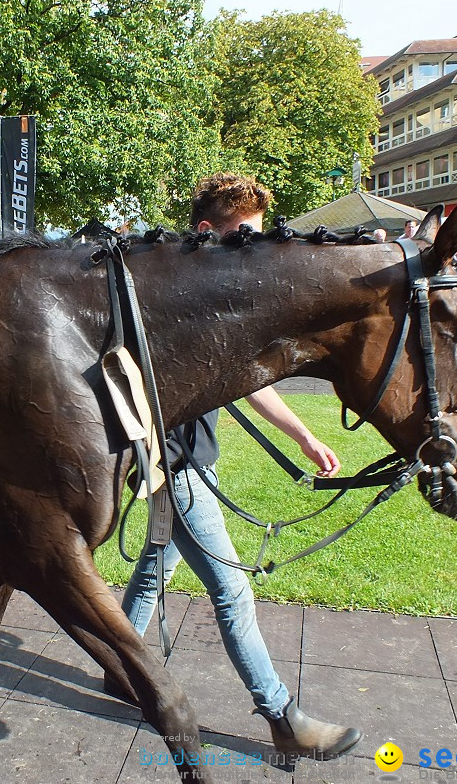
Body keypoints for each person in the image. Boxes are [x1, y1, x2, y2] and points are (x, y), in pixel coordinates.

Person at [113, 173, 360, 761]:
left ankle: (120, 667)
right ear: (207, 231)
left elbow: (243, 381)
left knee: (155, 566)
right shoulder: (169, 295)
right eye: (241, 236)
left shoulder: (204, 294)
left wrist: (302, 434)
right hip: (174, 466)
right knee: (231, 589)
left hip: (188, 461)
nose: (251, 248)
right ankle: (281, 715)